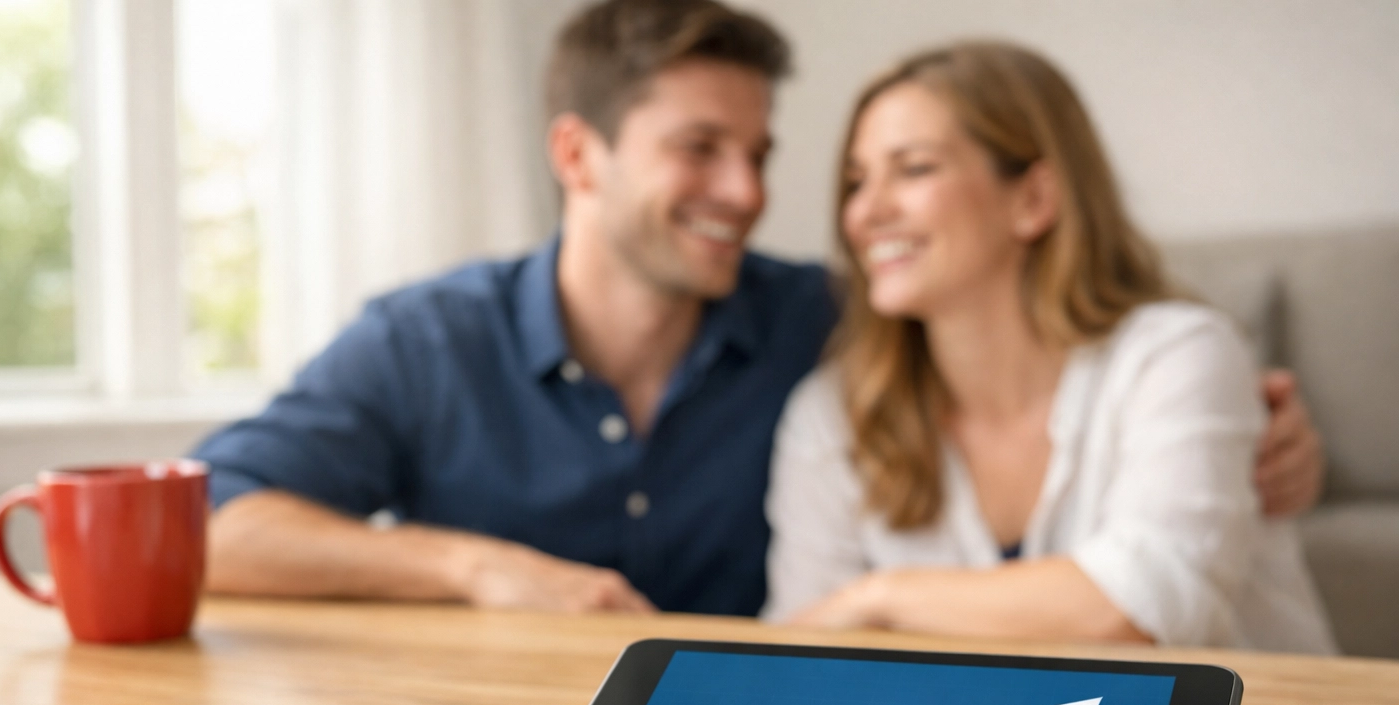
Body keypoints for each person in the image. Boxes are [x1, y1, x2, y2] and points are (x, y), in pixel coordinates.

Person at [194, 0, 1325, 621]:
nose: (749, 194)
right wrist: (473, 569)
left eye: (761, 154)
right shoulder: (425, 341)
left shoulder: (833, 324)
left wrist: (1254, 433)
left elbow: (1068, 333)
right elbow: (205, 524)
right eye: (701, 149)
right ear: (577, 154)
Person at [763, 42, 1335, 653]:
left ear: (1033, 200)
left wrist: (876, 598)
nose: (866, 212)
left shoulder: (1177, 355)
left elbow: (1136, 610)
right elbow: (801, 650)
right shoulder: (831, 416)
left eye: (915, 169)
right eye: (855, 181)